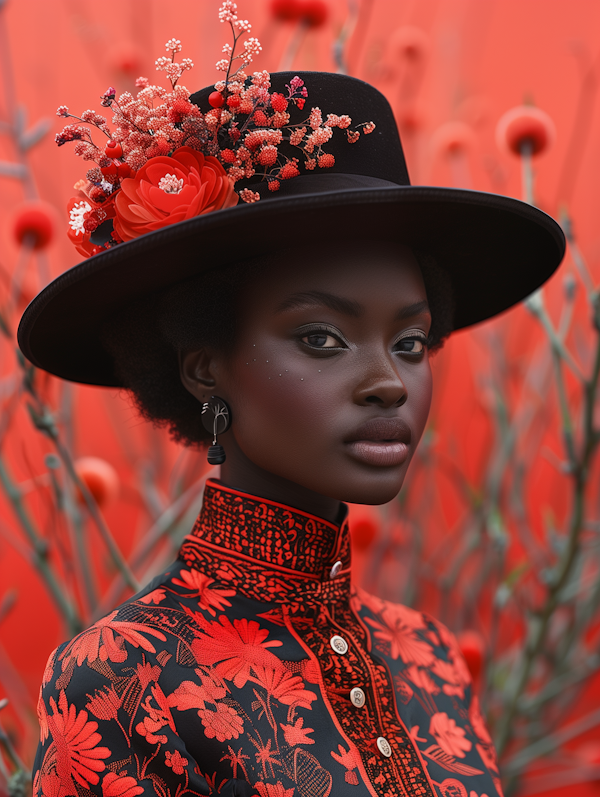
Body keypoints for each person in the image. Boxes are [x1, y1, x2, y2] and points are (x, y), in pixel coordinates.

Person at [19, 7, 565, 797]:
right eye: (321, 338)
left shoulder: (432, 658)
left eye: (411, 343)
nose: (389, 380)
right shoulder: (126, 674)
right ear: (204, 366)